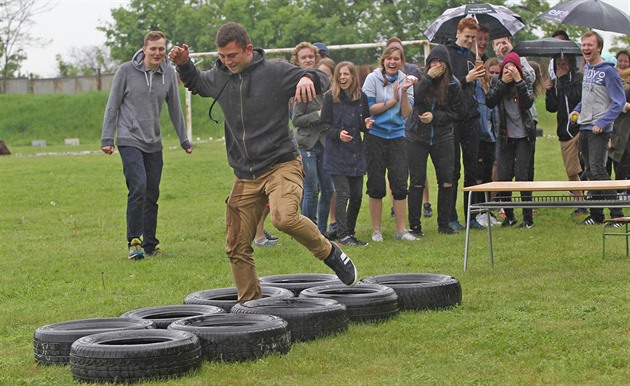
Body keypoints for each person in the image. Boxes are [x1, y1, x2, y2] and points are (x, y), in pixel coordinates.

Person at [168, 22, 358, 301]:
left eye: (232, 56)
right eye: (222, 56)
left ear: (247, 49)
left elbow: (321, 76)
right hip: (245, 174)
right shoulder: (220, 76)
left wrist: (306, 77)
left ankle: (330, 252)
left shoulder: (275, 72)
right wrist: (185, 64)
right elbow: (197, 82)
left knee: (283, 217)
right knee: (236, 246)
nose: (227, 62)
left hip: (281, 162)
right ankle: (251, 309)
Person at [101, 31, 193, 260]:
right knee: (139, 187)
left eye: (161, 49)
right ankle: (134, 241)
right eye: (153, 49)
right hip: (129, 138)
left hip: (153, 141)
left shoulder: (169, 74)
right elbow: (113, 105)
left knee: (152, 192)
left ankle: (151, 244)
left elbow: (175, 108)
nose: (158, 53)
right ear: (144, 49)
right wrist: (106, 139)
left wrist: (184, 140)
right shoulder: (126, 71)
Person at [406, 45, 465, 235]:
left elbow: (457, 113)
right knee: (416, 180)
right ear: (428, 63)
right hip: (417, 135)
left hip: (443, 136)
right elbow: (415, 98)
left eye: (441, 62)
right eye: (434, 62)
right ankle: (415, 226)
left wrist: (435, 117)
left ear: (447, 65)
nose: (438, 65)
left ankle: (444, 224)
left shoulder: (454, 84)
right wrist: (429, 78)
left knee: (447, 180)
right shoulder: (420, 78)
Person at [569, 31, 626, 226]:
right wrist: (576, 109)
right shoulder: (588, 69)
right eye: (583, 44)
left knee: (599, 170)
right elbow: (587, 98)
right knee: (591, 172)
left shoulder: (609, 72)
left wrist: (602, 123)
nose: (585, 48)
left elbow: (619, 102)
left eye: (589, 45)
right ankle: (596, 214)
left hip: (598, 130)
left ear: (598, 47)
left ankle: (617, 215)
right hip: (584, 126)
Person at [362, 45, 417, 241]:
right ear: (383, 61)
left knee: (400, 183)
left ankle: (401, 230)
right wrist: (393, 100)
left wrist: (402, 92)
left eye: (396, 59)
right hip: (375, 136)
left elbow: (405, 113)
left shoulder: (406, 80)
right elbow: (369, 109)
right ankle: (376, 230)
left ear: (402, 61)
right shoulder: (371, 79)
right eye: (389, 58)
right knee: (376, 184)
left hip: (397, 136)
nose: (392, 62)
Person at [321, 61, 373, 246]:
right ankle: (343, 235)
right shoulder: (330, 98)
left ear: (353, 77)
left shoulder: (362, 98)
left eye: (346, 74)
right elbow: (324, 126)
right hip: (336, 153)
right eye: (339, 75)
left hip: (355, 153)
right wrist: (338, 134)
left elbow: (362, 124)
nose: (342, 78)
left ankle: (349, 232)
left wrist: (366, 125)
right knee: (343, 194)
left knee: (357, 195)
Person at [486, 52, 537, 229]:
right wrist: (502, 83)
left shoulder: (525, 80)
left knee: (522, 176)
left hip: (524, 135)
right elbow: (490, 101)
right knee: (504, 176)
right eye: (506, 67)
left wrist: (519, 82)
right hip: (505, 135)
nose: (509, 70)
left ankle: (528, 218)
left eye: (512, 67)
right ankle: (509, 215)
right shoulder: (497, 82)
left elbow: (528, 102)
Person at [445, 17, 486, 231]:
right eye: (467, 36)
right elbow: (446, 87)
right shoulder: (446, 55)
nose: (471, 40)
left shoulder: (472, 56)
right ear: (458, 33)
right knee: (453, 170)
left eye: (473, 37)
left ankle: (472, 215)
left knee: (473, 168)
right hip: (453, 118)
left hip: (472, 117)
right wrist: (466, 79)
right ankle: (450, 217)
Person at [386, 37, 433, 219]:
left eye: (397, 53)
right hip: (392, 128)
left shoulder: (413, 71)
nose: (393, 59)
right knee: (395, 170)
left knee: (418, 167)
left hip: (413, 125)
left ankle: (425, 202)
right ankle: (394, 205)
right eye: (390, 53)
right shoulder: (380, 76)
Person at [291, 42, 334, 235]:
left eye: (311, 57)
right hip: (307, 145)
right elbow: (296, 120)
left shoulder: (325, 83)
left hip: (326, 143)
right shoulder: (299, 86)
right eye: (304, 57)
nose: (308, 60)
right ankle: (308, 232)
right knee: (310, 190)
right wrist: (318, 114)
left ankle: (322, 231)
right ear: (297, 61)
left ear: (316, 59)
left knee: (328, 189)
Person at [544, 53, 586, 216]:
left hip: (582, 128)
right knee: (571, 171)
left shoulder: (579, 80)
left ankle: (594, 201)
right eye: (558, 64)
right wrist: (549, 91)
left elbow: (579, 98)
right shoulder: (554, 84)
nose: (561, 67)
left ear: (570, 64)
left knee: (588, 166)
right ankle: (580, 203)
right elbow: (551, 107)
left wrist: (562, 83)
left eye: (564, 64)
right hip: (564, 132)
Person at [474, 57, 501, 227]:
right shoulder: (477, 87)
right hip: (479, 136)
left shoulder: (496, 88)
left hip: (492, 135)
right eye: (491, 72)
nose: (493, 76)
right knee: (478, 176)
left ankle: (487, 210)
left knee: (488, 176)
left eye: (497, 73)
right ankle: (477, 212)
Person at [608, 51, 630, 189]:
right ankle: (617, 190)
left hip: (627, 126)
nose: (622, 64)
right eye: (620, 60)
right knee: (616, 158)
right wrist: (624, 105)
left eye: (626, 61)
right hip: (614, 125)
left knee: (626, 157)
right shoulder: (611, 77)